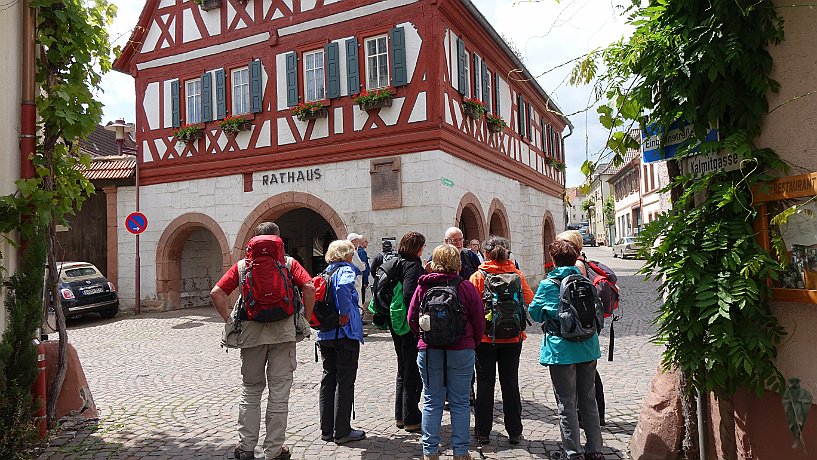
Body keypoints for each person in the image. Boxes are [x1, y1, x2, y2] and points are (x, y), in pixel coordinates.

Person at [210, 222, 316, 460]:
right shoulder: (288, 263)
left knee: (251, 391)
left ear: (254, 240)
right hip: (284, 333)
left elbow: (216, 293)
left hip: (250, 334)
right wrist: (305, 320)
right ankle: (274, 451)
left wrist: (229, 320)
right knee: (279, 393)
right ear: (278, 240)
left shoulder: (241, 266)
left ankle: (246, 448)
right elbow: (309, 287)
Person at [528, 240, 604, 460]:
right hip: (588, 347)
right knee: (589, 399)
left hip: (561, 350)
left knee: (567, 403)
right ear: (575, 259)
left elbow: (534, 313)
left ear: (553, 260)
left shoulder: (548, 283)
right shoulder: (585, 279)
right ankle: (595, 449)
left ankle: (573, 452)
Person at [409, 244, 485, 460]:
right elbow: (479, 321)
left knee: (432, 400)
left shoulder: (423, 286)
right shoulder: (465, 287)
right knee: (460, 402)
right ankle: (460, 452)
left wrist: (424, 336)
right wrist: (472, 342)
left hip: (430, 349)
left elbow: (412, 318)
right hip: (461, 349)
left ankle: (430, 451)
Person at [468, 236, 534, 446]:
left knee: (485, 384)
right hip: (513, 338)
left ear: (486, 254)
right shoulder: (516, 274)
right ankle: (514, 432)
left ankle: (483, 432)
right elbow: (530, 299)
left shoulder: (478, 276)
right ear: (508, 253)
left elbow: (471, 307)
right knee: (510, 383)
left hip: (485, 339)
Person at [316, 240, 367, 444]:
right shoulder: (346, 270)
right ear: (346, 254)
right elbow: (344, 287)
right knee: (345, 381)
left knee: (328, 380)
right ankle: (342, 431)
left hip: (326, 334)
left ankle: (326, 429)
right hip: (344, 334)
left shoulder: (325, 272)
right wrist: (344, 312)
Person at [556, 230, 605, 425]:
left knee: (589, 377)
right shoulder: (581, 261)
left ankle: (593, 415)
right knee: (590, 374)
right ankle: (595, 414)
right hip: (586, 322)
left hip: (580, 325)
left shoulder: (576, 265)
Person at [390, 231, 426, 432]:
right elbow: (410, 295)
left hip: (396, 323)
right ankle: (411, 416)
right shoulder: (412, 266)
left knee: (403, 369)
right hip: (407, 325)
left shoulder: (396, 261)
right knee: (411, 370)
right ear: (417, 248)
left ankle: (400, 415)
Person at [357, 236, 371, 303]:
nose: (367, 243)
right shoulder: (362, 252)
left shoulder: (357, 251)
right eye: (366, 241)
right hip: (362, 278)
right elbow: (364, 268)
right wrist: (366, 281)